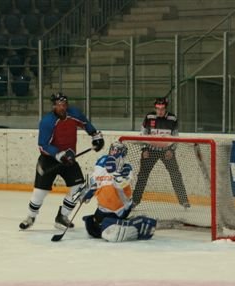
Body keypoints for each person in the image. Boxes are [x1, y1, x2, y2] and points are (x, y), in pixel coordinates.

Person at [20, 92, 105, 230]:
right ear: (54, 106)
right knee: (40, 191)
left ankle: (62, 216)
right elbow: (43, 145)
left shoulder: (74, 113)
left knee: (78, 188)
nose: (62, 107)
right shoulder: (47, 121)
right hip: (49, 159)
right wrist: (58, 154)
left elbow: (85, 123)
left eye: (64, 104)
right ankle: (30, 216)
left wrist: (95, 135)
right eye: (59, 105)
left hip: (69, 159)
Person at [77, 141, 157, 242]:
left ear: (123, 153)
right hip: (102, 208)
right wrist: (86, 193)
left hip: (120, 209)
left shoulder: (126, 168)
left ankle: (135, 224)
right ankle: (110, 223)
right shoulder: (101, 162)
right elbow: (94, 180)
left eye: (118, 151)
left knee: (108, 227)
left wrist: (114, 172)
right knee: (94, 228)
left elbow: (121, 184)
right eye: (113, 149)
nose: (114, 152)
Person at [133, 97, 190, 208]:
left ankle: (184, 201)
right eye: (158, 109)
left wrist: (171, 150)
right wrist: (144, 149)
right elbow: (142, 135)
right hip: (150, 150)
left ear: (166, 108)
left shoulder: (172, 119)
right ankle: (135, 201)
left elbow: (175, 137)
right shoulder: (149, 117)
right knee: (142, 176)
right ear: (155, 108)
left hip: (166, 151)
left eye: (162, 109)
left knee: (175, 175)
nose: (160, 111)